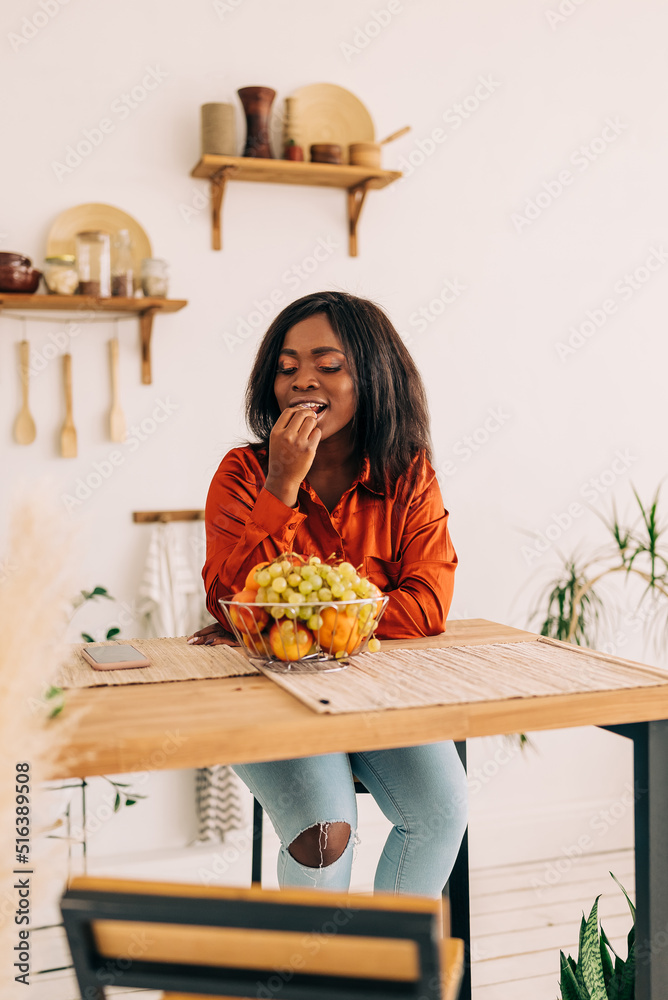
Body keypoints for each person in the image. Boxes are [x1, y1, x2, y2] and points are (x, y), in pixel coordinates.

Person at [188, 290, 468, 896]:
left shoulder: (408, 472)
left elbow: (427, 605)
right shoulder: (242, 474)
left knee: (441, 814)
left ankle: (390, 982)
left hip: (378, 692)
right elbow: (235, 603)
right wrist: (282, 483)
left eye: (327, 365)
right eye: (286, 368)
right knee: (325, 830)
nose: (301, 381)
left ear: (373, 375)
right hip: (265, 691)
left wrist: (294, 621)